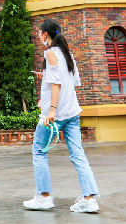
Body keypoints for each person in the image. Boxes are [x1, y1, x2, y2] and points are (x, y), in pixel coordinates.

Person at [23, 19, 100, 213]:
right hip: (72, 112)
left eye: (39, 33)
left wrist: (52, 110)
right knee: (78, 155)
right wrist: (45, 77)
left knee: (39, 151)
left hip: (54, 115)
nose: (38, 36)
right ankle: (89, 199)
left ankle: (44, 197)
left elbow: (57, 83)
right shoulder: (67, 54)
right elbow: (72, 81)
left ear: (45, 34)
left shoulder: (50, 53)